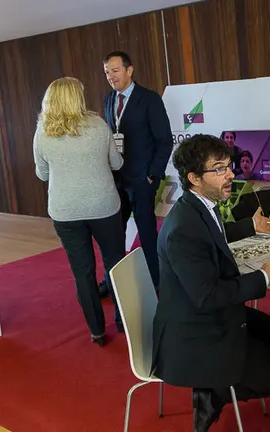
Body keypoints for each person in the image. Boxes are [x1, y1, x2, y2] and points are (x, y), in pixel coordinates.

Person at [151, 134, 270, 431]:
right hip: (195, 332)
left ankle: (217, 387)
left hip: (213, 314)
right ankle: (212, 392)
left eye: (229, 166)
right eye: (219, 168)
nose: (230, 174)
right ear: (194, 177)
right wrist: (265, 277)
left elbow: (213, 234)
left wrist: (249, 226)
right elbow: (207, 296)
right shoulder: (182, 230)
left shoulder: (201, 205)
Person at [33, 77, 125, 347]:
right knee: (116, 266)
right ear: (77, 97)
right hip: (104, 207)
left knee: (83, 273)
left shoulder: (43, 132)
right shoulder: (98, 125)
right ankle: (124, 321)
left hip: (65, 212)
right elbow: (116, 164)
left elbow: (42, 174)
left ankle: (97, 331)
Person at [103, 51, 173, 288]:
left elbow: (164, 140)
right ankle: (115, 282)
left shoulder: (150, 99)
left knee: (146, 232)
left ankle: (155, 280)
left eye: (115, 70)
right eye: (107, 73)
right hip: (117, 180)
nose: (111, 77)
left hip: (143, 179)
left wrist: (153, 174)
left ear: (129, 70)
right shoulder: (108, 100)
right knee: (115, 233)